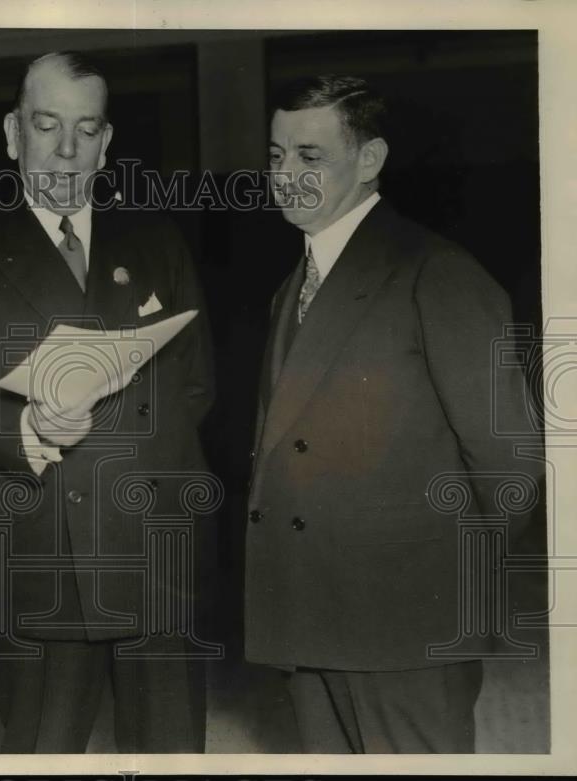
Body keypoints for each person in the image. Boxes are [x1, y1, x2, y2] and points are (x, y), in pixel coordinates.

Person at [244, 75, 542, 753]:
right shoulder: (292, 284)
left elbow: (511, 465)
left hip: (405, 627)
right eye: (275, 155)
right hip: (307, 609)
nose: (285, 175)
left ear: (370, 159)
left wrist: (435, 586)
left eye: (310, 157)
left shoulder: (434, 271)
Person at [0, 51, 214, 753]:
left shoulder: (157, 241)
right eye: (46, 124)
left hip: (151, 547)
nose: (65, 149)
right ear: (11, 133)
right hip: (39, 554)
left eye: (85, 129)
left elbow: (196, 384)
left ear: (106, 142)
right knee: (40, 751)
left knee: (172, 751)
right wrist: (31, 426)